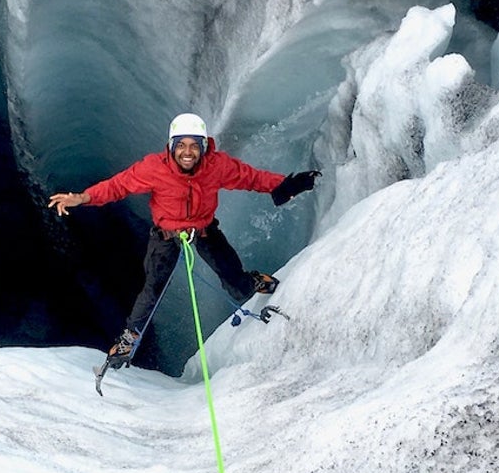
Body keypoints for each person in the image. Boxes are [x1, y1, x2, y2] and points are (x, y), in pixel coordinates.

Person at [48, 112, 320, 368]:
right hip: (166, 237)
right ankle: (130, 337)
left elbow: (250, 177)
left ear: (203, 147)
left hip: (204, 231)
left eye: (194, 145)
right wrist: (83, 197)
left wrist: (284, 185)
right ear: (171, 146)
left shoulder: (216, 166)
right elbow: (118, 186)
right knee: (152, 289)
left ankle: (252, 281)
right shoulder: (154, 168)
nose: (187, 152)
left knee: (235, 282)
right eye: (181, 145)